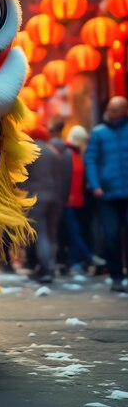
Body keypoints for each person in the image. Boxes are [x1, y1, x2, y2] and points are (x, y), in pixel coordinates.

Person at [84, 96, 128, 293]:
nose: (110, 113)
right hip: (107, 194)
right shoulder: (99, 133)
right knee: (110, 236)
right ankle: (116, 275)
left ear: (124, 111)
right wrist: (95, 185)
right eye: (109, 109)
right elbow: (91, 160)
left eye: (115, 110)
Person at [62, 125, 105, 275]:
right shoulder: (67, 153)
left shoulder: (76, 154)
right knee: (74, 232)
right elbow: (65, 178)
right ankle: (85, 257)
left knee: (76, 231)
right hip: (68, 200)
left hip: (77, 200)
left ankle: (76, 262)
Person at [25, 126, 63, 283]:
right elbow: (61, 178)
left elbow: (21, 177)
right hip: (54, 197)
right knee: (52, 233)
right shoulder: (54, 152)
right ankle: (50, 267)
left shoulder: (29, 152)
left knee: (40, 234)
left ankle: (46, 270)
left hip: (35, 198)